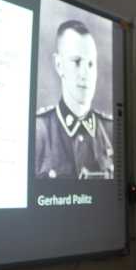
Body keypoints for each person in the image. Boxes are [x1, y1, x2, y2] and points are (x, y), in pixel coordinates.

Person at [35, 20, 114, 179]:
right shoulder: (39, 132)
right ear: (59, 64)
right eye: (77, 62)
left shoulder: (110, 131)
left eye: (91, 64)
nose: (86, 74)